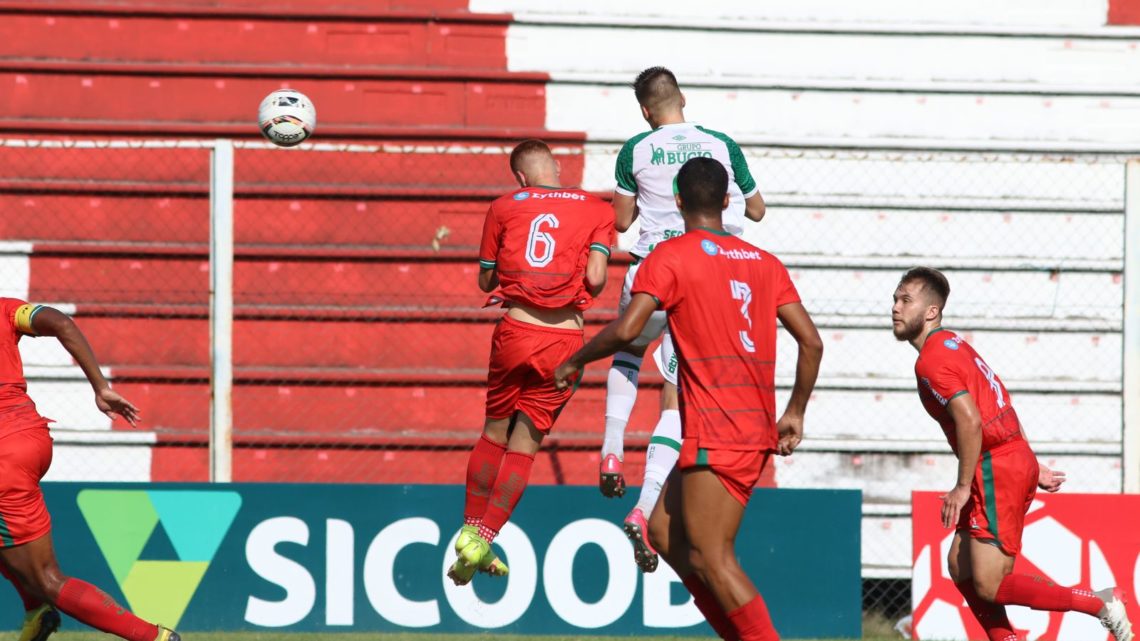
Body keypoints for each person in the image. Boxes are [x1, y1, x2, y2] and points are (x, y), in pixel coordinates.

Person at [556, 158, 822, 641]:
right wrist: (795, 411)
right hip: (745, 422)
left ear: (677, 201)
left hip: (720, 430)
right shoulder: (764, 262)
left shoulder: (671, 256)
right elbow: (812, 342)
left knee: (713, 558)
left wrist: (576, 359)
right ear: (726, 200)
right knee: (664, 536)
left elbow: (631, 329)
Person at [892, 267, 1134, 641]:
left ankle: (1097, 602)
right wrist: (1030, 460)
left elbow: (971, 422)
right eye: (895, 298)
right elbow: (1000, 401)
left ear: (931, 312)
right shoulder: (955, 345)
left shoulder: (931, 361)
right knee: (960, 565)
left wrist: (961, 487)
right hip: (1007, 457)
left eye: (906, 300)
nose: (895, 307)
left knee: (989, 584)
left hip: (995, 467)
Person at [601, 66, 766, 573]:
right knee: (678, 394)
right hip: (705, 273)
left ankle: (610, 450)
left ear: (645, 111)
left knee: (628, 352)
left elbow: (622, 221)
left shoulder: (635, 149)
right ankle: (646, 505)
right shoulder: (721, 144)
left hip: (650, 267)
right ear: (683, 100)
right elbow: (757, 211)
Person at [447, 139, 615, 585]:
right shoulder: (598, 209)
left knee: (492, 434)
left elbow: (486, 278)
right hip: (564, 341)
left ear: (520, 177)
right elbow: (596, 281)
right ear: (557, 167)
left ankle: (468, 529)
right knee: (526, 446)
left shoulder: (504, 206)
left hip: (516, 332)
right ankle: (485, 536)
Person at [0, 299, 180, 641]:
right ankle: (36, 612)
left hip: (4, 459)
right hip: (30, 436)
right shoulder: (6, 309)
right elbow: (61, 323)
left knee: (49, 579)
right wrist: (101, 387)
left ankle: (154, 637)